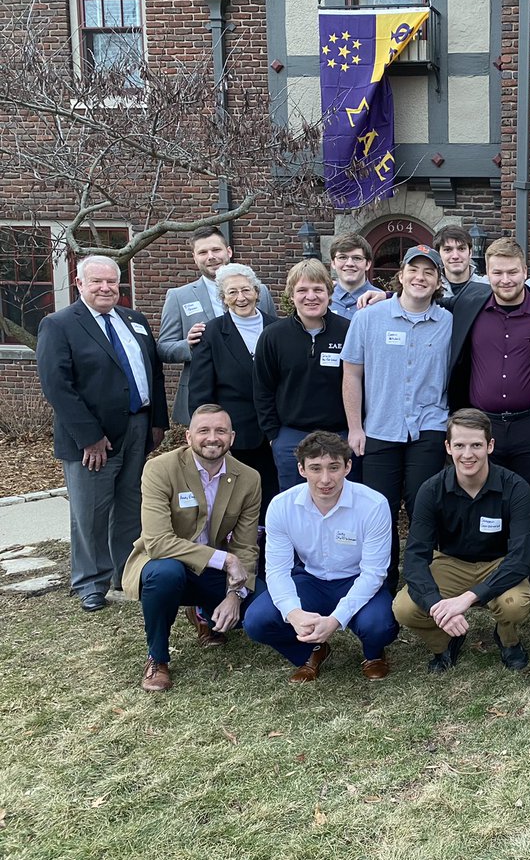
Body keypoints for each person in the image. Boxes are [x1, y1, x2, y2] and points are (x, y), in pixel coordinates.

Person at [36, 255, 167, 612]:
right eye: (96, 282)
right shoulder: (59, 324)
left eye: (112, 282)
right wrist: (89, 436)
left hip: (138, 426)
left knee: (130, 505)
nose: (106, 288)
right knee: (90, 511)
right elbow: (57, 386)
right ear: (79, 284)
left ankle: (126, 572)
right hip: (93, 438)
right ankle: (90, 582)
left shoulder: (134, 320)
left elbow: (153, 373)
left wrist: (158, 421)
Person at [122, 404, 260, 691]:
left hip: (212, 571)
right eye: (204, 431)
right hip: (164, 563)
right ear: (188, 437)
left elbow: (246, 546)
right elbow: (158, 542)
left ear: (232, 437)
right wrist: (225, 560)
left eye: (221, 431)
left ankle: (203, 615)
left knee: (258, 611)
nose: (213, 438)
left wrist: (235, 593)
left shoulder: (249, 478)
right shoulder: (159, 469)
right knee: (166, 574)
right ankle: (157, 659)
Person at [244, 431, 398, 683]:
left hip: (356, 579)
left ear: (348, 466)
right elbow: (277, 570)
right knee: (257, 620)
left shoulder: (373, 504)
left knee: (379, 625)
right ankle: (312, 650)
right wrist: (293, 613)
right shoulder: (281, 506)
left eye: (333, 467)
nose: (325, 479)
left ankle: (373, 654)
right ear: (302, 469)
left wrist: (336, 620)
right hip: (311, 580)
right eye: (315, 468)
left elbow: (374, 573)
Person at [393, 409, 530, 672]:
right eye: (459, 445)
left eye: (476, 445)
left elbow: (521, 558)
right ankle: (446, 640)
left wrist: (468, 598)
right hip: (450, 563)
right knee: (404, 607)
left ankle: (508, 640)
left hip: (499, 563)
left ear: (490, 446)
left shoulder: (516, 488)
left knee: (513, 605)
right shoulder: (431, 490)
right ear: (448, 447)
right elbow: (415, 557)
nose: (467, 454)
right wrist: (437, 605)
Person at [342, 243, 452, 584]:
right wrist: (355, 428)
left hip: (428, 429)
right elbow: (352, 374)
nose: (420, 277)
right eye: (413, 270)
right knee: (380, 512)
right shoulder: (367, 318)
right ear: (400, 276)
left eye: (429, 272)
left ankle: (421, 581)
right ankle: (383, 581)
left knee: (423, 509)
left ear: (438, 282)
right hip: (379, 429)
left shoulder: (448, 321)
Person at [447, 238, 530, 558]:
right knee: (483, 493)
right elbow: (424, 301)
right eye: (497, 273)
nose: (505, 279)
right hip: (482, 424)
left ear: (526, 271)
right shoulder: (469, 303)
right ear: (487, 273)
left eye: (512, 272)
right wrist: (385, 294)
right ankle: (487, 558)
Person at [189, 262, 279, 524]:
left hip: (274, 435)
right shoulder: (212, 333)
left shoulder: (277, 328)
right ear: (223, 298)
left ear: (257, 292)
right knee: (230, 507)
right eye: (232, 292)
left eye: (246, 290)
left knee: (271, 504)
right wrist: (209, 435)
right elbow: (201, 393)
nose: (241, 298)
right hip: (233, 438)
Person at [158, 226, 275, 425]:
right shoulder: (179, 296)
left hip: (255, 398)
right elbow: (163, 348)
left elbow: (273, 335)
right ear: (195, 258)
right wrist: (189, 344)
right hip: (205, 396)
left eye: (216, 250)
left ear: (228, 252)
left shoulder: (259, 290)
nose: (211, 257)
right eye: (203, 252)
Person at [254, 259, 351, 491]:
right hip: (290, 437)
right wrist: (273, 435)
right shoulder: (273, 336)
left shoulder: (349, 331)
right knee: (294, 503)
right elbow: (263, 388)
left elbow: (363, 384)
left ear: (330, 292)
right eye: (302, 290)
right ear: (291, 295)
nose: (311, 296)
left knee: (339, 501)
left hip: (340, 435)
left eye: (318, 289)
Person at [328, 232, 383, 320]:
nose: (349, 264)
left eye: (357, 258)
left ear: (368, 264)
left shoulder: (381, 301)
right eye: (342, 257)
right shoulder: (322, 298)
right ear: (333, 263)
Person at [434, 224, 487, 301]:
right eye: (448, 250)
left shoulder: (487, 286)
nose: (455, 256)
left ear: (470, 252)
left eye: (461, 249)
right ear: (439, 254)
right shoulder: (430, 290)